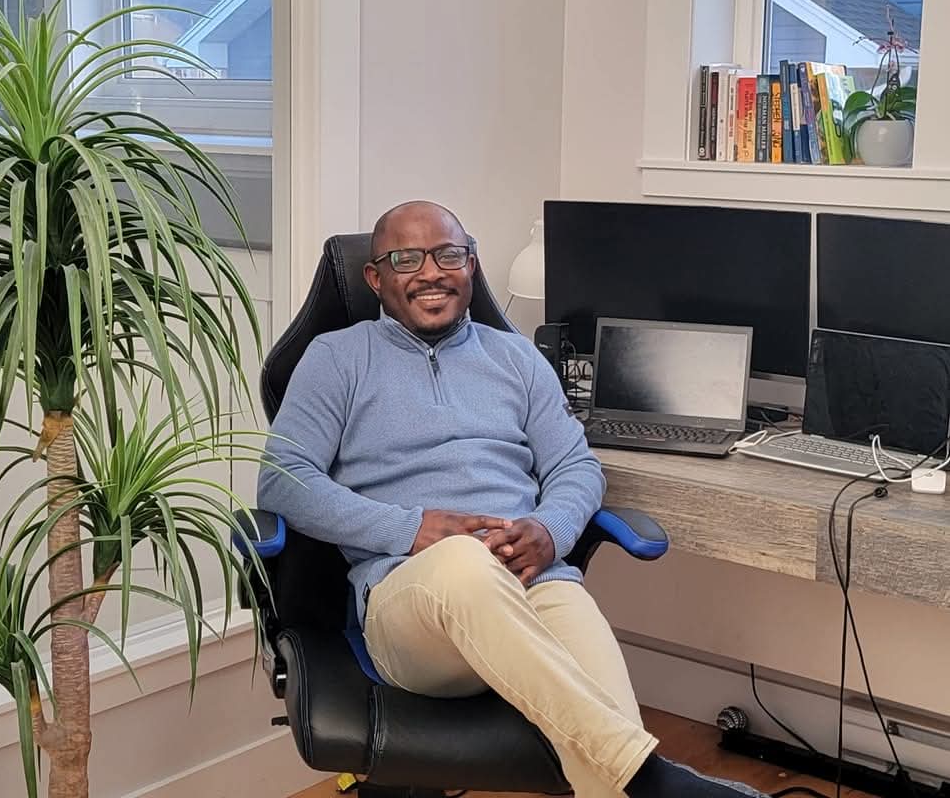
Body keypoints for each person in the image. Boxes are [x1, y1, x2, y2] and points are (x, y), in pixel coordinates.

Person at [258, 200, 764, 798]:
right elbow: (282, 480)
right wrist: (410, 529)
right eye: (406, 259)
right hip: (411, 611)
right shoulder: (337, 359)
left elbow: (576, 466)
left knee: (598, 714)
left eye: (448, 255)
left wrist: (549, 529)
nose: (431, 272)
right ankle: (651, 776)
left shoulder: (515, 358)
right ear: (376, 279)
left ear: (470, 265)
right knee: (466, 561)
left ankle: (636, 784)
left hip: (533, 584)